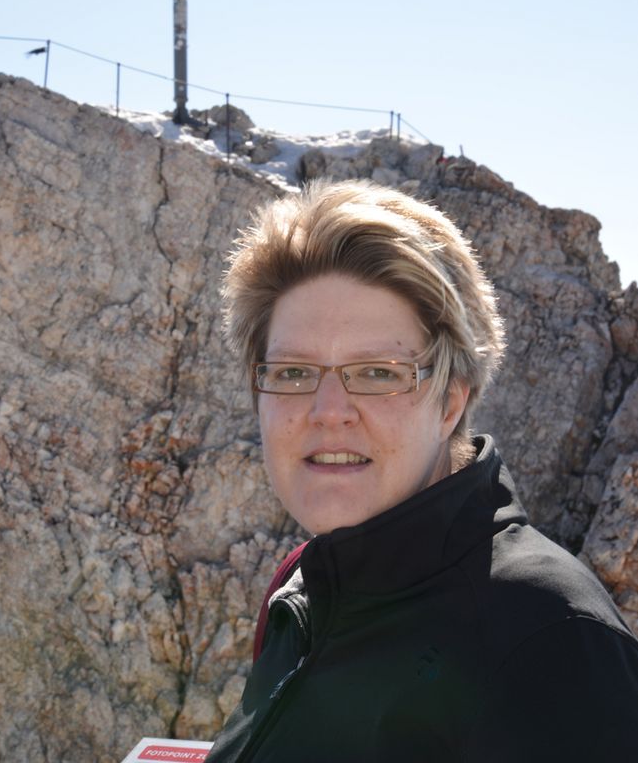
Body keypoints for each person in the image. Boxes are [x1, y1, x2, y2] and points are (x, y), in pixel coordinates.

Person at [205, 180, 638, 762]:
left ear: (452, 401)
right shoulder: (306, 593)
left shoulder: (550, 638)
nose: (328, 411)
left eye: (379, 372)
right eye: (291, 372)